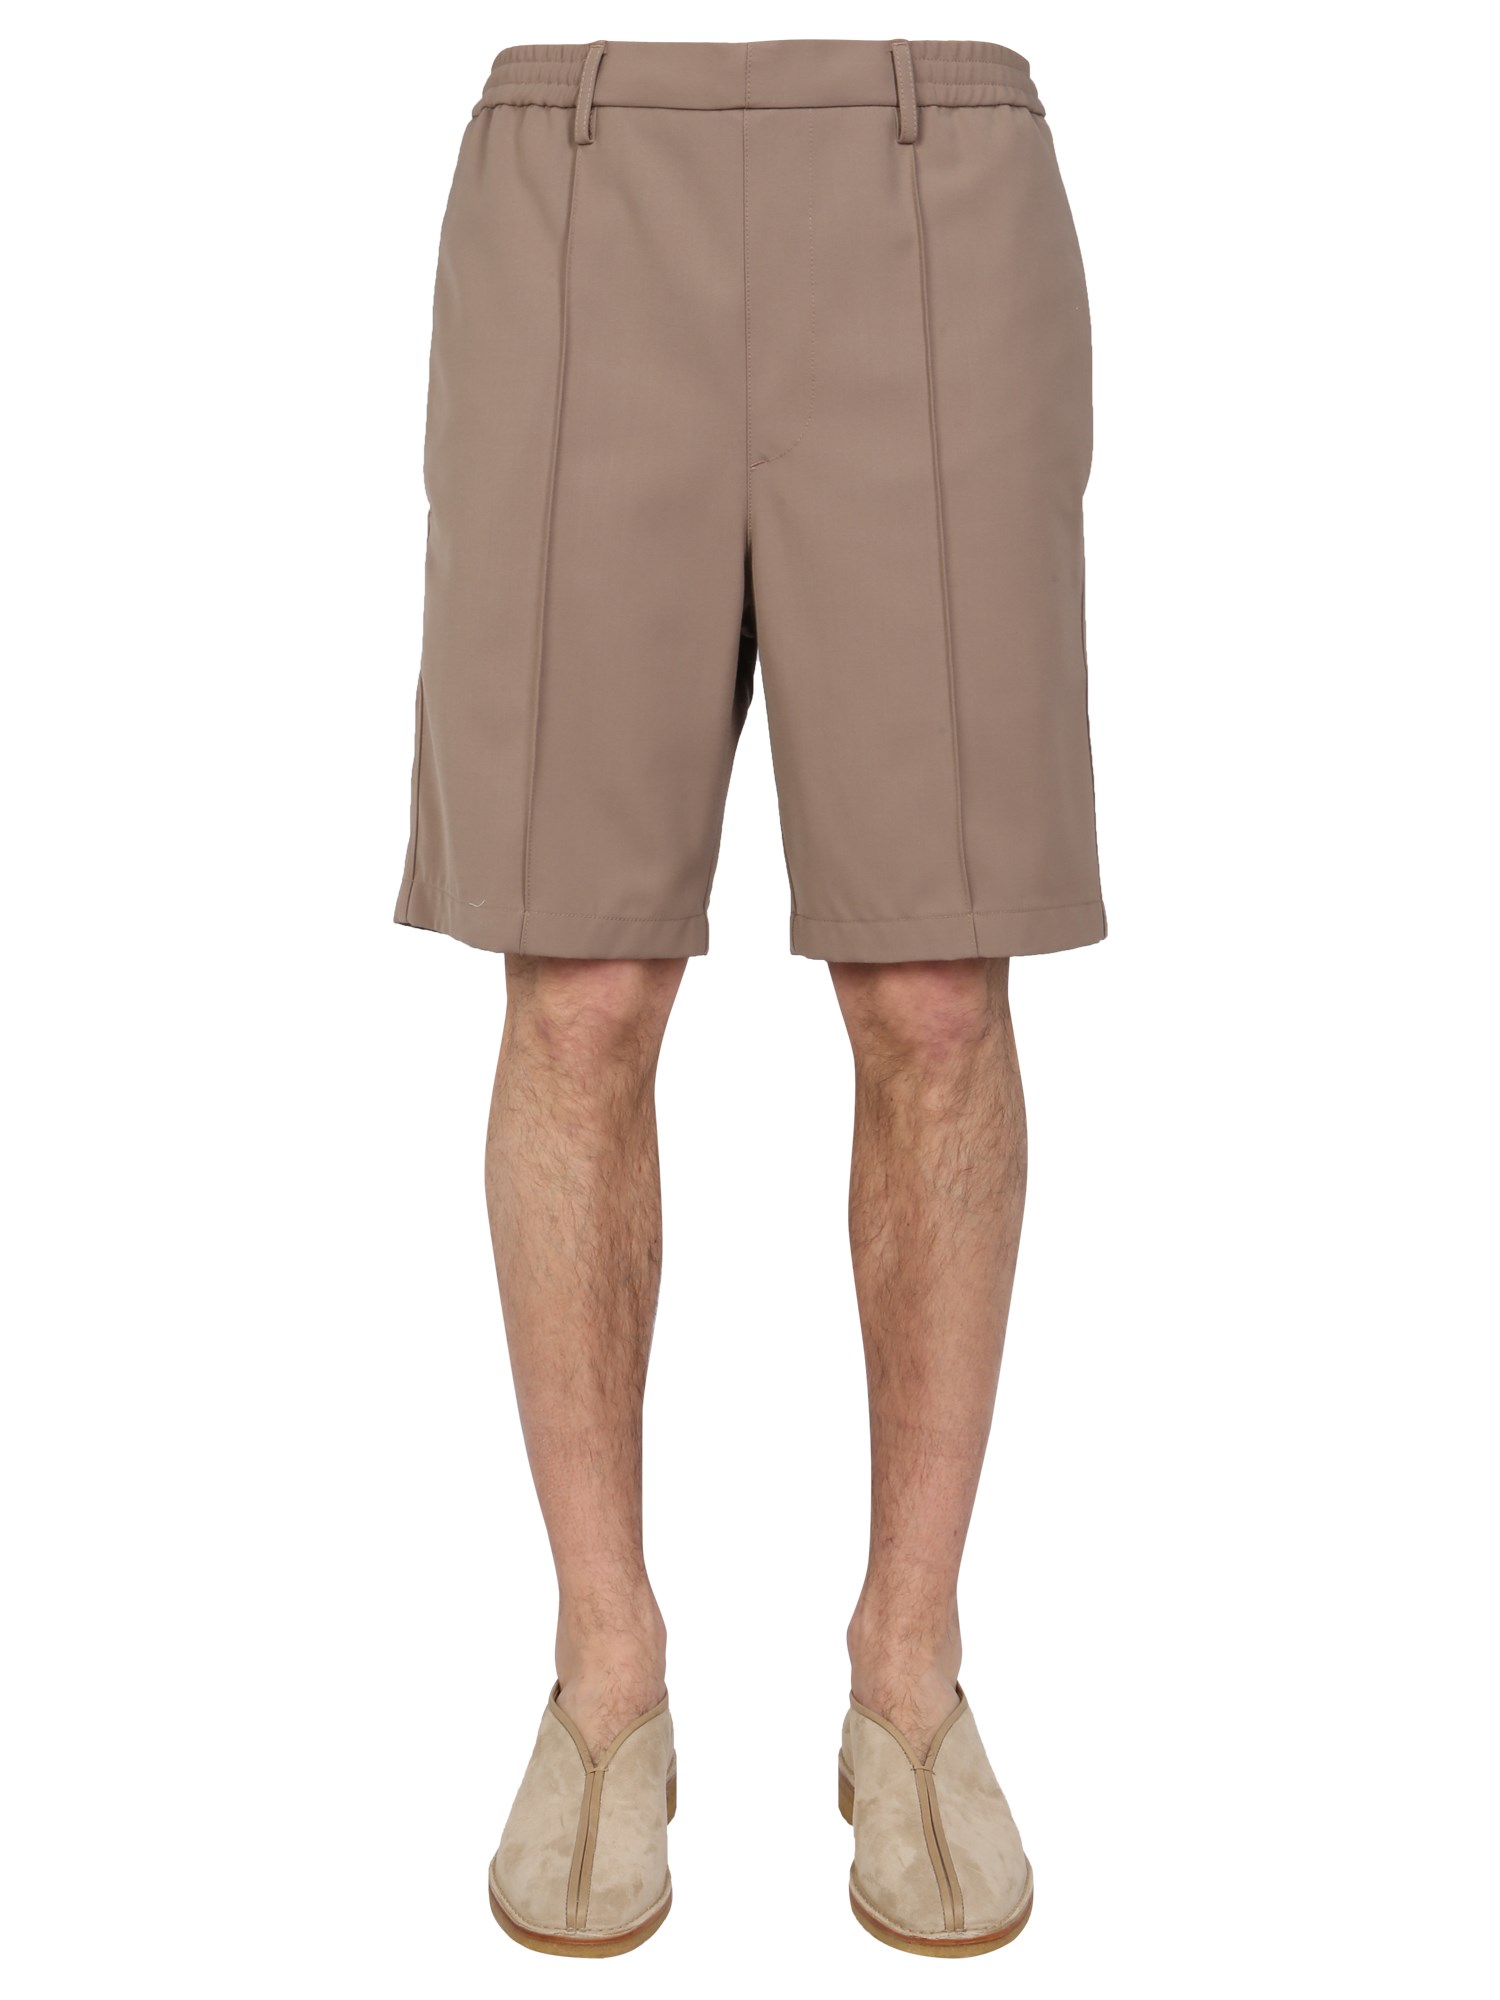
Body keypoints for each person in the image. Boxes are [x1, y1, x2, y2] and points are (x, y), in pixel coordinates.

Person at [395, 38, 1104, 1958]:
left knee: (937, 984)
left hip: (933, 170)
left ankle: (910, 1669)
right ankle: (603, 1670)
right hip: (578, 168)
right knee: (581, 984)